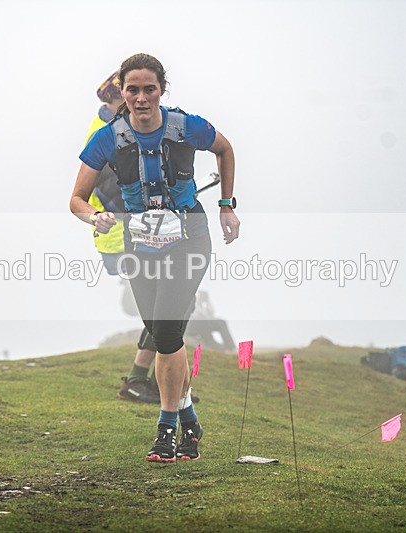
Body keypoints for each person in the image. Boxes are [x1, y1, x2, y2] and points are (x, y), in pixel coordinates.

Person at [71, 53, 240, 462]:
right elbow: (76, 199)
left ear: (162, 90)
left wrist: (226, 205)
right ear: (122, 93)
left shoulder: (186, 126)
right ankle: (191, 419)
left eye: (150, 89)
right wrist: (96, 217)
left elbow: (225, 149)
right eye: (133, 90)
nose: (142, 97)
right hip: (139, 245)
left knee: (165, 333)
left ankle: (167, 431)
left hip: (189, 239)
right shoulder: (108, 138)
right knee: (167, 337)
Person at [86, 70, 160, 404]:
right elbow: (109, 188)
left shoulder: (124, 129)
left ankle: (155, 380)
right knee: (165, 307)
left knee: (171, 306)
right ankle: (138, 380)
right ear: (116, 99)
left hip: (135, 233)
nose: (136, 103)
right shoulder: (105, 133)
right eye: (128, 97)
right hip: (120, 237)